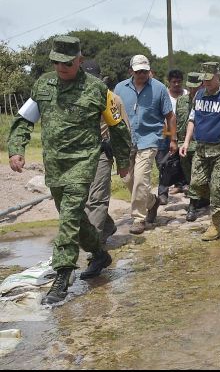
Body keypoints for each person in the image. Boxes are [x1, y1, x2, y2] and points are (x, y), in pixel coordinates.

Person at [7, 36, 132, 304]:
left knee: (70, 215)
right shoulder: (43, 85)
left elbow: (118, 126)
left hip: (84, 160)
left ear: (80, 60)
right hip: (55, 163)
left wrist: (123, 160)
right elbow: (24, 119)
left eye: (67, 63)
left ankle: (62, 275)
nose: (61, 68)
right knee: (71, 215)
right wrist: (17, 148)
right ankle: (99, 254)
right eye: (56, 62)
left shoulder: (97, 89)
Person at [180, 62, 220, 240]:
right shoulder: (199, 94)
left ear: (218, 76)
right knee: (195, 185)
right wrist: (186, 142)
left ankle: (215, 226)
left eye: (209, 79)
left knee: (216, 187)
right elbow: (192, 119)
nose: (206, 83)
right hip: (201, 148)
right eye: (204, 80)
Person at [114, 55, 177, 235]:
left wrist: (172, 139)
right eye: (138, 71)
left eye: (144, 70)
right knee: (128, 180)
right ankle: (152, 202)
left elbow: (169, 116)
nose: (142, 74)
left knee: (141, 180)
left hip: (149, 140)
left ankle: (138, 218)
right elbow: (112, 114)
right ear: (130, 71)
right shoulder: (119, 88)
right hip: (126, 141)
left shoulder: (159, 89)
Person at [81, 60, 130, 244]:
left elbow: (123, 129)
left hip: (102, 153)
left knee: (97, 198)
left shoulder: (112, 99)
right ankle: (107, 226)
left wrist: (123, 160)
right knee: (82, 199)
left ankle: (96, 245)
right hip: (80, 155)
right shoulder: (75, 97)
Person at [176, 72, 207, 221]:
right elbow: (176, 122)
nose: (194, 90)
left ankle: (192, 206)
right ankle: (202, 198)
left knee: (196, 175)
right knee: (189, 176)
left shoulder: (206, 101)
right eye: (191, 87)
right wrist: (174, 140)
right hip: (184, 144)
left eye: (197, 87)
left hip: (200, 144)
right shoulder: (180, 101)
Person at [156, 69, 187, 205]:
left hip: (183, 132)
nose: (176, 84)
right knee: (163, 163)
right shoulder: (164, 95)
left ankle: (183, 184)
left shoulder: (186, 94)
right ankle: (163, 193)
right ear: (169, 82)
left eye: (179, 82)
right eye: (173, 82)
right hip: (165, 131)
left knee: (184, 160)